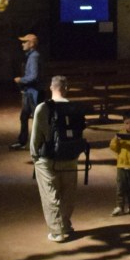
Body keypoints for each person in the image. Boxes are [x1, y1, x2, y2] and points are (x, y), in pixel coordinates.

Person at [30, 75, 84, 243]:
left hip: (48, 158)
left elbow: (36, 137)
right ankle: (65, 224)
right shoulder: (75, 108)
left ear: (51, 87)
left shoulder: (43, 108)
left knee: (50, 194)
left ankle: (56, 231)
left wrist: (35, 156)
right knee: (68, 193)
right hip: (70, 156)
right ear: (66, 88)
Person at [10, 32, 42, 150]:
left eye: (24, 42)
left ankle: (35, 143)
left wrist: (21, 80)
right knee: (24, 117)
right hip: (29, 92)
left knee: (35, 118)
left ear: (31, 44)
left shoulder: (34, 57)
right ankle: (23, 141)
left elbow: (33, 76)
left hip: (33, 93)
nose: (22, 44)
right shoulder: (32, 56)